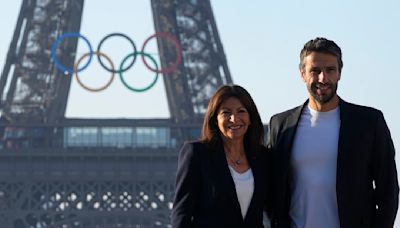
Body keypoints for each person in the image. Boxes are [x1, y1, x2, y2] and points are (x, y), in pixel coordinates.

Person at [267, 37, 399, 228]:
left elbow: (388, 190)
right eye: (315, 71)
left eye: (330, 70)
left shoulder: (369, 122)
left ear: (339, 73)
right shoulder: (280, 125)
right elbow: (272, 189)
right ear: (302, 74)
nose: (323, 78)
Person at [172, 85, 272, 227]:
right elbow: (182, 213)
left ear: (250, 118)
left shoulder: (264, 158)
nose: (234, 119)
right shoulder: (197, 154)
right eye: (226, 113)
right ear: (215, 119)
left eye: (241, 111)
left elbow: (274, 210)